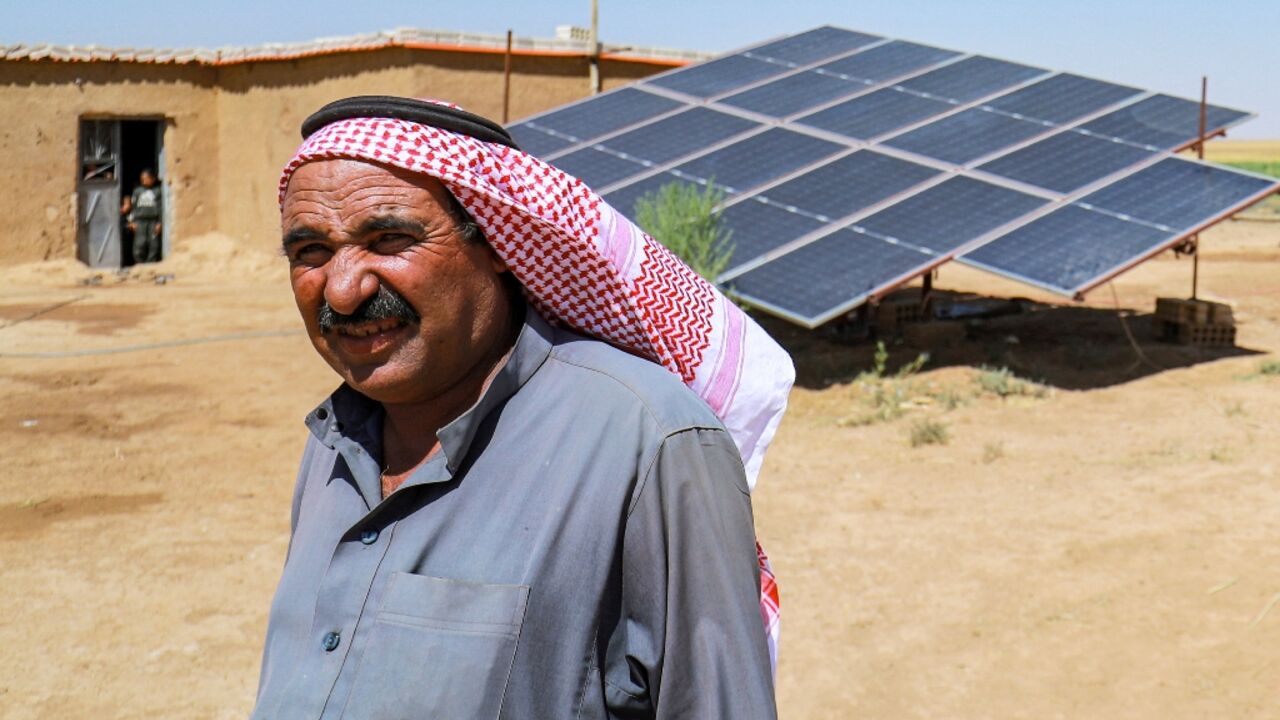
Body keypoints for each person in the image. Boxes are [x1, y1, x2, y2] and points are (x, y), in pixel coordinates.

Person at [252, 97, 793, 719]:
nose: (343, 290)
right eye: (311, 252)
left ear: (498, 246)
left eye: (390, 239)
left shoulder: (647, 442)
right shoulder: (335, 440)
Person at [121, 168, 162, 263]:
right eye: (142, 178)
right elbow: (133, 207)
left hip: (153, 220)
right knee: (140, 244)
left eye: (146, 178)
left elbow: (161, 208)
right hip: (140, 221)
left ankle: (151, 263)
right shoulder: (137, 191)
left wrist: (159, 222)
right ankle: (140, 263)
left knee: (154, 244)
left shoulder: (158, 191)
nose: (143, 180)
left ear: (153, 179)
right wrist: (131, 221)